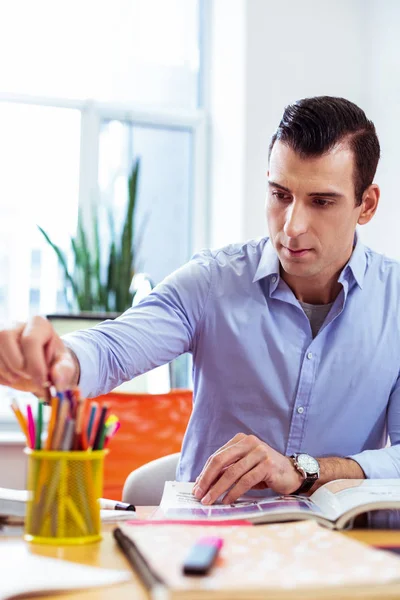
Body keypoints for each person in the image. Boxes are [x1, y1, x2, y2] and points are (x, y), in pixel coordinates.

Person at [0, 96, 398, 512]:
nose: (292, 226)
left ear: (366, 204)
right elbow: (112, 348)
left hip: (337, 551)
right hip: (208, 541)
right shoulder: (214, 281)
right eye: (280, 194)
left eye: (321, 202)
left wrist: (306, 470)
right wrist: (61, 362)